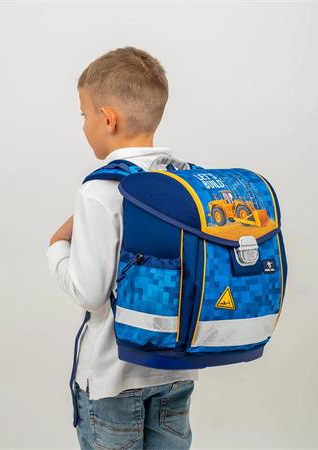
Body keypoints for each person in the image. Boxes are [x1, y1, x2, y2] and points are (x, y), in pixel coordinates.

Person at [46, 47, 198, 450]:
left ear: (107, 118)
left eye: (84, 114)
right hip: (175, 371)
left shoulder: (99, 189)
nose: (84, 124)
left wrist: (56, 248)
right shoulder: (181, 181)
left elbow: (90, 293)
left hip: (113, 380)